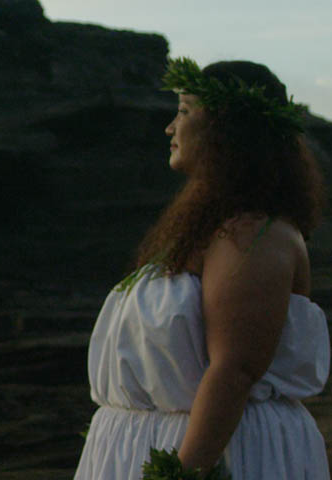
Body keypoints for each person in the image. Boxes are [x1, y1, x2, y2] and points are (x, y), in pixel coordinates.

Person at [73, 57, 330, 479]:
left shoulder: (254, 235)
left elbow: (234, 370)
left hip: (213, 454)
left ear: (225, 129)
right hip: (150, 445)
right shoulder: (213, 227)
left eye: (184, 112)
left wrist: (183, 472)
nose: (170, 128)